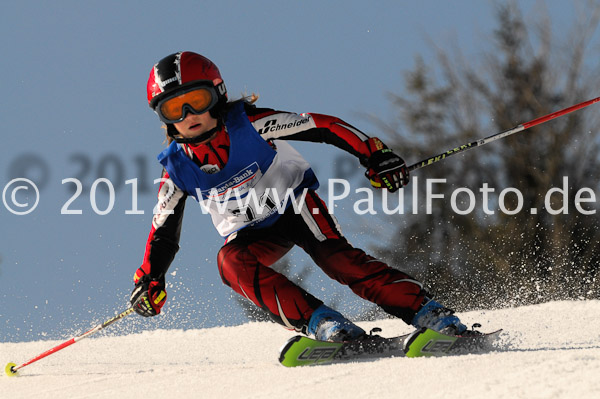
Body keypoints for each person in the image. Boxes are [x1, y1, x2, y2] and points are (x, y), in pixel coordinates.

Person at [130, 51, 470, 342]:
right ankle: (326, 325)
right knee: (229, 263)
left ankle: (430, 315)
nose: (188, 114)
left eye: (197, 100)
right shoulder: (176, 169)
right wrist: (151, 279)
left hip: (295, 206)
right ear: (163, 118)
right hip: (251, 235)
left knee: (335, 259)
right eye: (174, 108)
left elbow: (322, 125)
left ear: (217, 95)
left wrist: (374, 155)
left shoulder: (250, 124)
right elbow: (162, 231)